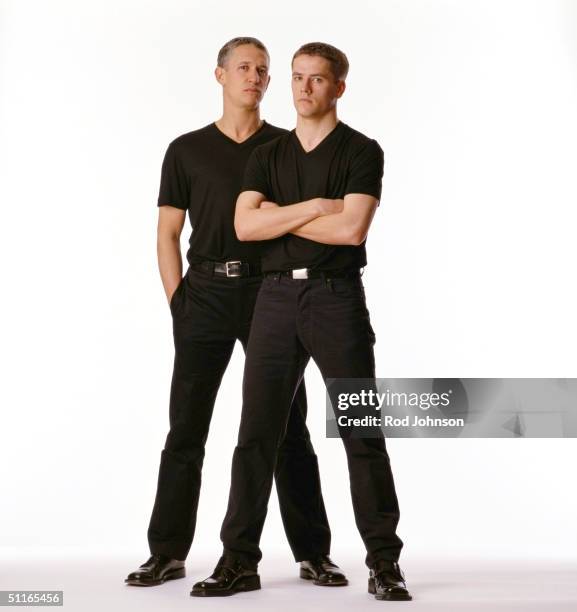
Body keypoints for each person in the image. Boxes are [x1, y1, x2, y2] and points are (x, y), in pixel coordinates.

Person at [191, 42, 412, 601]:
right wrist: (317, 206)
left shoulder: (362, 151)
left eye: (316, 79)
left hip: (337, 300)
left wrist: (280, 219)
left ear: (339, 86)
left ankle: (384, 563)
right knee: (256, 435)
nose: (303, 88)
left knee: (362, 433)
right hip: (272, 301)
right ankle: (238, 560)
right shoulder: (267, 154)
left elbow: (352, 231)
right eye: (296, 78)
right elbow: (245, 226)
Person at [125, 37, 347, 589]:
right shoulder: (186, 150)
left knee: (286, 429)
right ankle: (167, 551)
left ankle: (313, 553)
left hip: (270, 295)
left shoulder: (284, 147)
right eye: (244, 67)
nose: (255, 76)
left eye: (264, 70)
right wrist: (179, 302)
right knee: (187, 427)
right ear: (220, 74)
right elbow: (168, 234)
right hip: (202, 295)